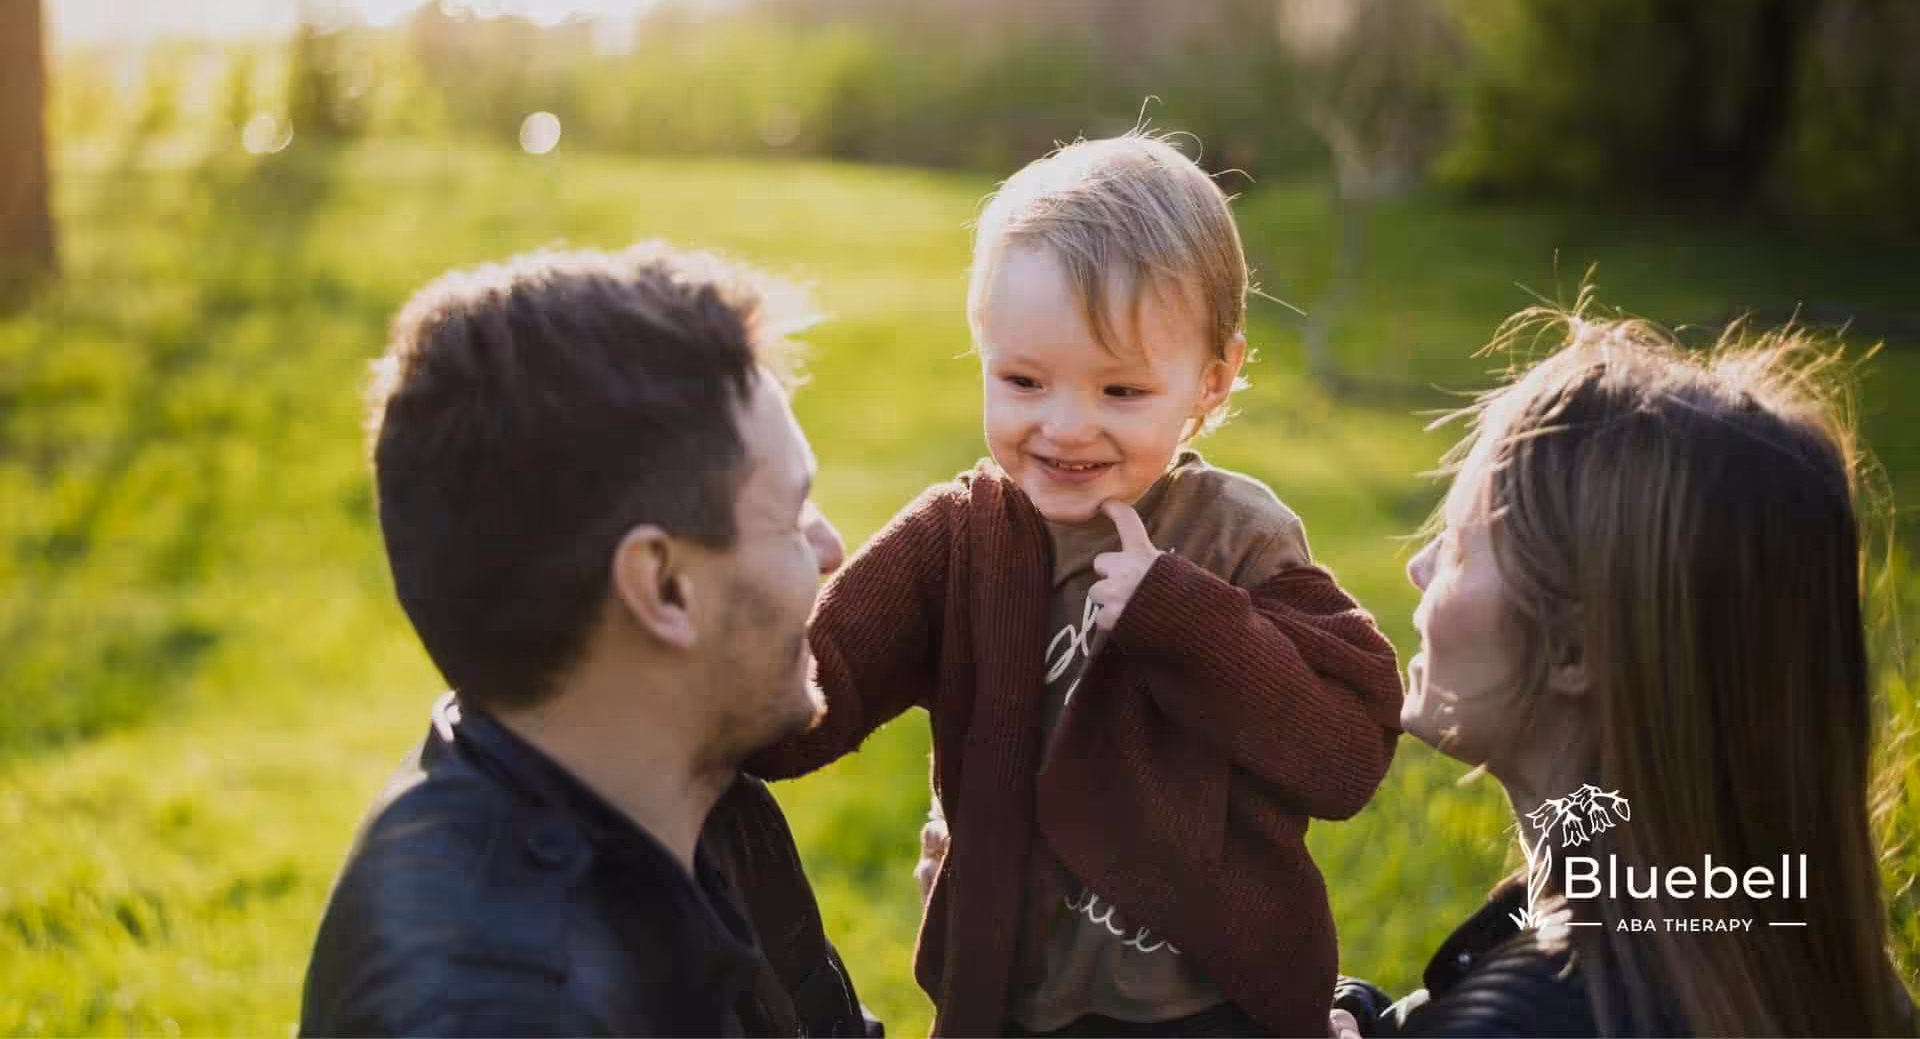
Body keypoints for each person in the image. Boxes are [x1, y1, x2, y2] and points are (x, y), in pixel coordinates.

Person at [747, 131, 1405, 1036]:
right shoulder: (957, 541)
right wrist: (688, 711)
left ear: (1212, 381)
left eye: (1121, 392)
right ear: (981, 350)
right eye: (1023, 380)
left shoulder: (1236, 538)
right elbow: (820, 682)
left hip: (1215, 1005)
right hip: (1012, 1005)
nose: (1065, 426)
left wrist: (1183, 618)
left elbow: (1346, 754)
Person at [300, 244, 877, 1036]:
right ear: (664, 586)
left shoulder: (698, 796)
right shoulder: (507, 1009)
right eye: (793, 513)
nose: (831, 548)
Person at [1331, 311, 1918, 1036]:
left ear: (1577, 649)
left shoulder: (1537, 1014)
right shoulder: (1784, 943)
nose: (1417, 572)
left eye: (1455, 546)